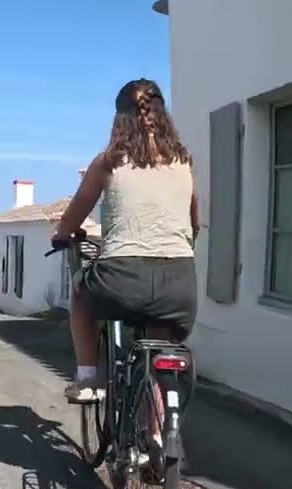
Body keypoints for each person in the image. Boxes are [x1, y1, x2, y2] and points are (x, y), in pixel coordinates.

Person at [51, 78, 200, 415]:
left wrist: (62, 235)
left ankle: (88, 378)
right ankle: (159, 436)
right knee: (161, 358)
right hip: (179, 285)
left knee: (80, 293)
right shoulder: (184, 161)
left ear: (120, 118)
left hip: (120, 279)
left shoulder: (108, 162)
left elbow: (73, 217)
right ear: (162, 113)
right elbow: (195, 224)